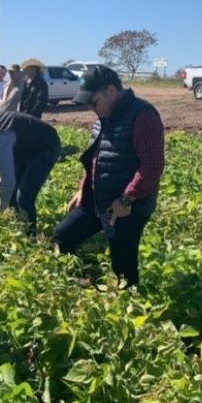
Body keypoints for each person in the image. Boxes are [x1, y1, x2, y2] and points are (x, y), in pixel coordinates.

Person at [52, 65, 165, 289]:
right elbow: (96, 157)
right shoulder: (103, 117)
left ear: (111, 91)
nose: (91, 108)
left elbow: (152, 166)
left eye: (93, 102)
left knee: (122, 266)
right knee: (62, 236)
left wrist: (126, 199)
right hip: (97, 200)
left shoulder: (142, 115)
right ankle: (78, 286)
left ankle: (128, 308)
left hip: (127, 207)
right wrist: (83, 188)